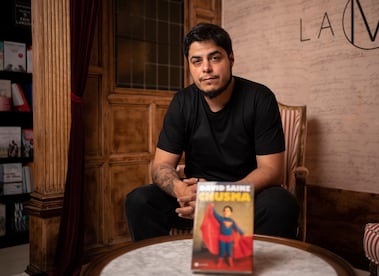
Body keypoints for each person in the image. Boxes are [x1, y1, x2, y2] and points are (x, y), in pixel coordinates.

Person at [125, 23, 299, 241]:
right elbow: (160, 165)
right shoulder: (182, 103)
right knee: (139, 200)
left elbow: (272, 170)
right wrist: (181, 190)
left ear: (231, 59)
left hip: (244, 194)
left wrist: (218, 197)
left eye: (215, 58)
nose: (206, 68)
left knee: (281, 205)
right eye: (196, 61)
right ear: (189, 66)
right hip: (194, 200)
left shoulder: (260, 98)